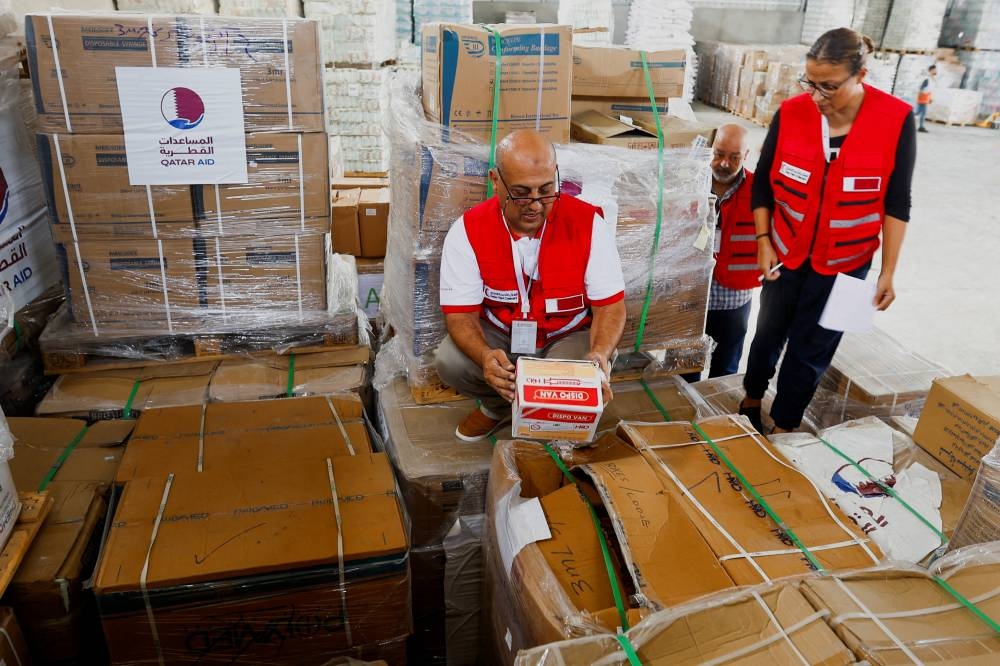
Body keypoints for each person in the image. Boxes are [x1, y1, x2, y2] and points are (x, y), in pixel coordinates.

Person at [738, 27, 916, 434]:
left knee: (811, 350)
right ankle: (750, 398)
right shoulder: (792, 113)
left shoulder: (895, 120)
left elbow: (897, 202)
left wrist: (888, 271)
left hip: (847, 265)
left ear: (861, 76)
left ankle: (784, 425)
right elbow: (763, 182)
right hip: (785, 252)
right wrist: (764, 241)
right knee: (767, 334)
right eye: (810, 83)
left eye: (830, 86)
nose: (817, 96)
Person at [435, 129, 627, 442]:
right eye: (522, 192)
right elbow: (460, 315)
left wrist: (600, 353)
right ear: (495, 181)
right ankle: (498, 408)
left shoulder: (589, 224)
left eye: (546, 190)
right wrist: (485, 357)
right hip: (503, 337)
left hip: (567, 337)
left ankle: (553, 422)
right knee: (450, 360)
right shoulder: (467, 231)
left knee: (581, 375)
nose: (535, 205)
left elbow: (610, 305)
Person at [683, 123, 759, 382]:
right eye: (719, 154)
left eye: (734, 157)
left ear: (746, 156)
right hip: (691, 297)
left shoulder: (760, 191)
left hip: (733, 301)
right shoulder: (690, 182)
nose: (724, 163)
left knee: (725, 372)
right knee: (684, 371)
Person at [915, 64, 936, 133]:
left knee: (918, 112)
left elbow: (930, 89)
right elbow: (921, 88)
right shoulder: (927, 79)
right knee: (922, 113)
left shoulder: (932, 79)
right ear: (931, 70)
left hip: (926, 97)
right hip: (923, 97)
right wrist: (925, 95)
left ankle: (920, 126)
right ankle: (921, 127)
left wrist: (930, 98)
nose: (935, 71)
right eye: (934, 70)